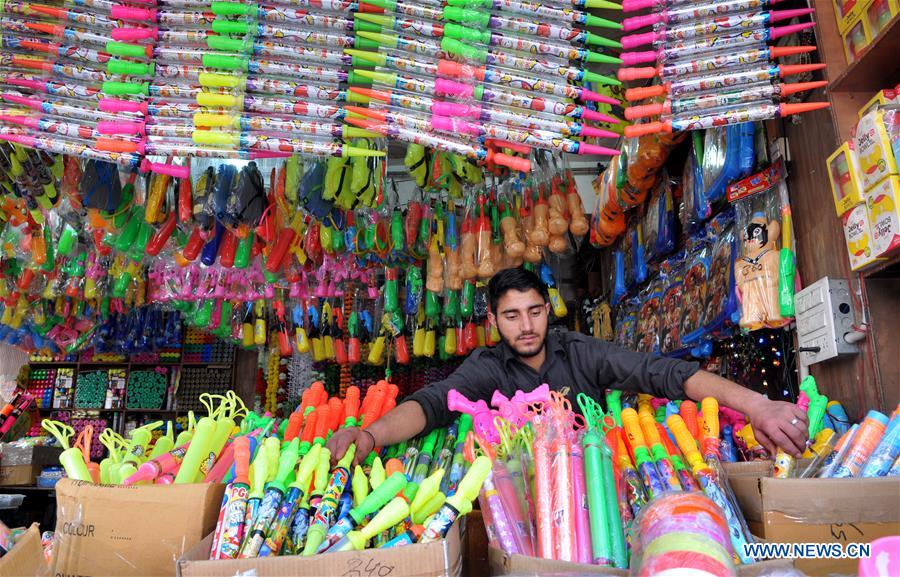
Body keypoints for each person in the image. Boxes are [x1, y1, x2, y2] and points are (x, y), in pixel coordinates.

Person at [327, 267, 809, 465]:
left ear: (548, 309)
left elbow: (665, 373)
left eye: (535, 311)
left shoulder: (580, 351)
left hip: (598, 478)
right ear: (494, 321)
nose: (526, 326)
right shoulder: (487, 367)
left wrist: (757, 404)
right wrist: (369, 436)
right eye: (512, 316)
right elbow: (432, 405)